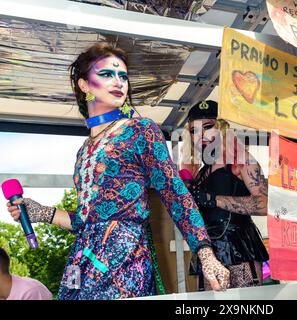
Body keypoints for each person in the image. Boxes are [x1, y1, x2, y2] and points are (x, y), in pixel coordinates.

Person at [6, 43, 229, 300]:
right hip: (83, 262)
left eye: (123, 76)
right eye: (107, 74)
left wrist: (204, 252)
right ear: (84, 85)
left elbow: (175, 194)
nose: (119, 82)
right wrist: (42, 212)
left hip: (125, 262)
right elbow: (84, 220)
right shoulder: (84, 150)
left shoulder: (140, 130)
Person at [182, 100, 269, 290]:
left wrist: (214, 200)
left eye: (208, 127)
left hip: (240, 248)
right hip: (207, 251)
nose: (201, 135)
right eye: (194, 131)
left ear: (222, 128)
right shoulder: (200, 172)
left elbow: (266, 204)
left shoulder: (242, 160)